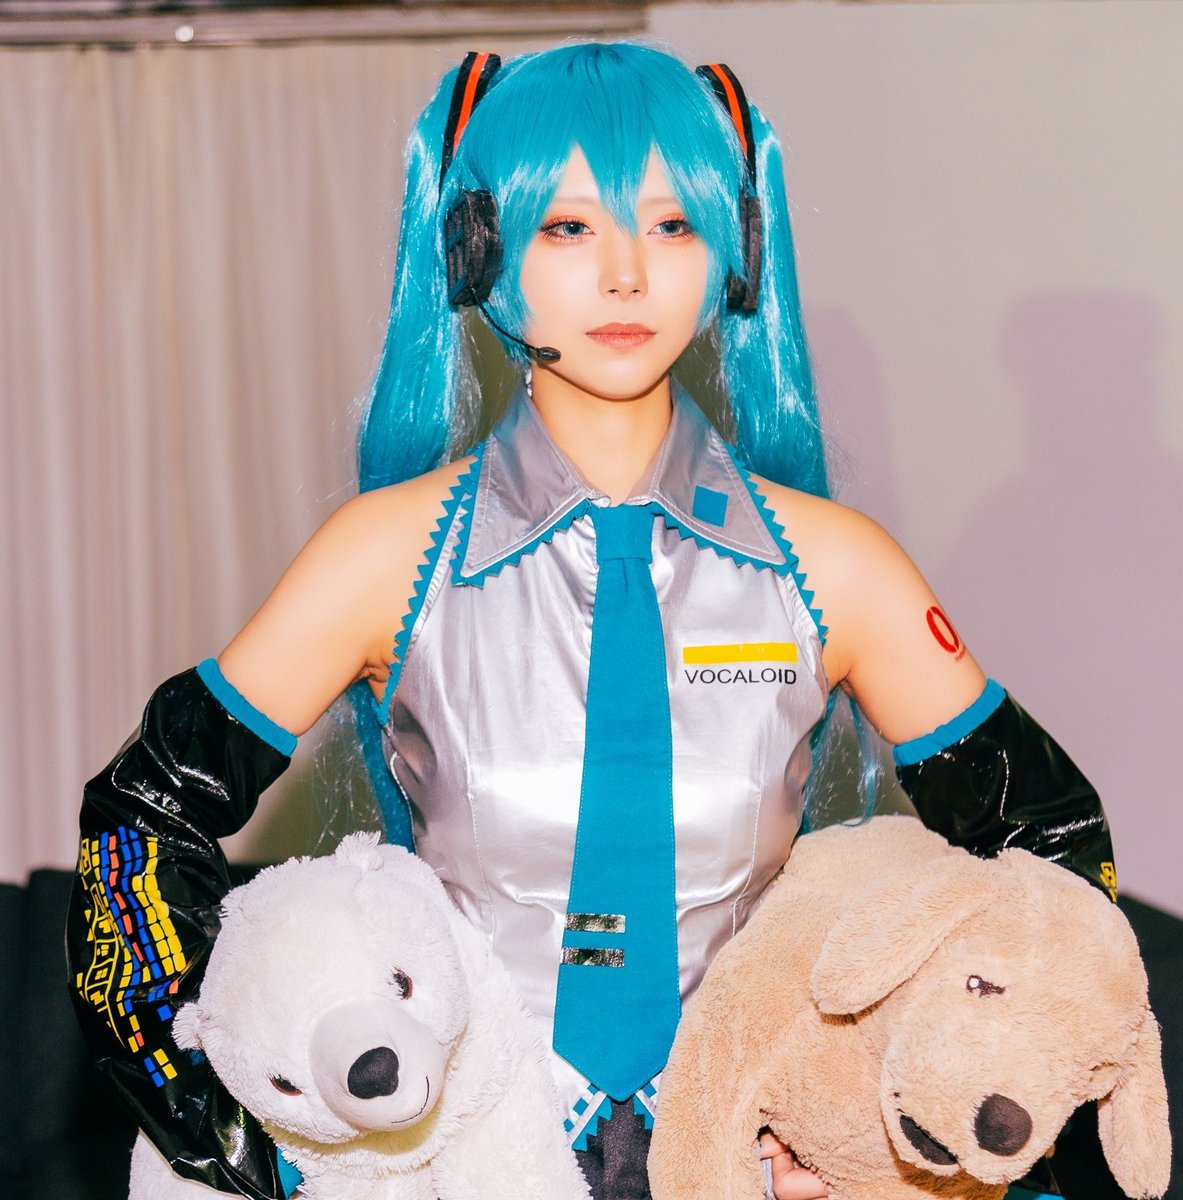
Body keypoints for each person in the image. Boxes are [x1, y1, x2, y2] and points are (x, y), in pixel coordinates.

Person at [68, 42, 1116, 1200]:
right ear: (477, 248)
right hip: (456, 1160)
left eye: (673, 225)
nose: (626, 275)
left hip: (742, 1161)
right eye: (569, 227)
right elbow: (138, 825)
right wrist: (243, 1123)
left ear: (735, 252)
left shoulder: (837, 568)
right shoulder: (385, 557)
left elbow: (1054, 849)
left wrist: (889, 1102)